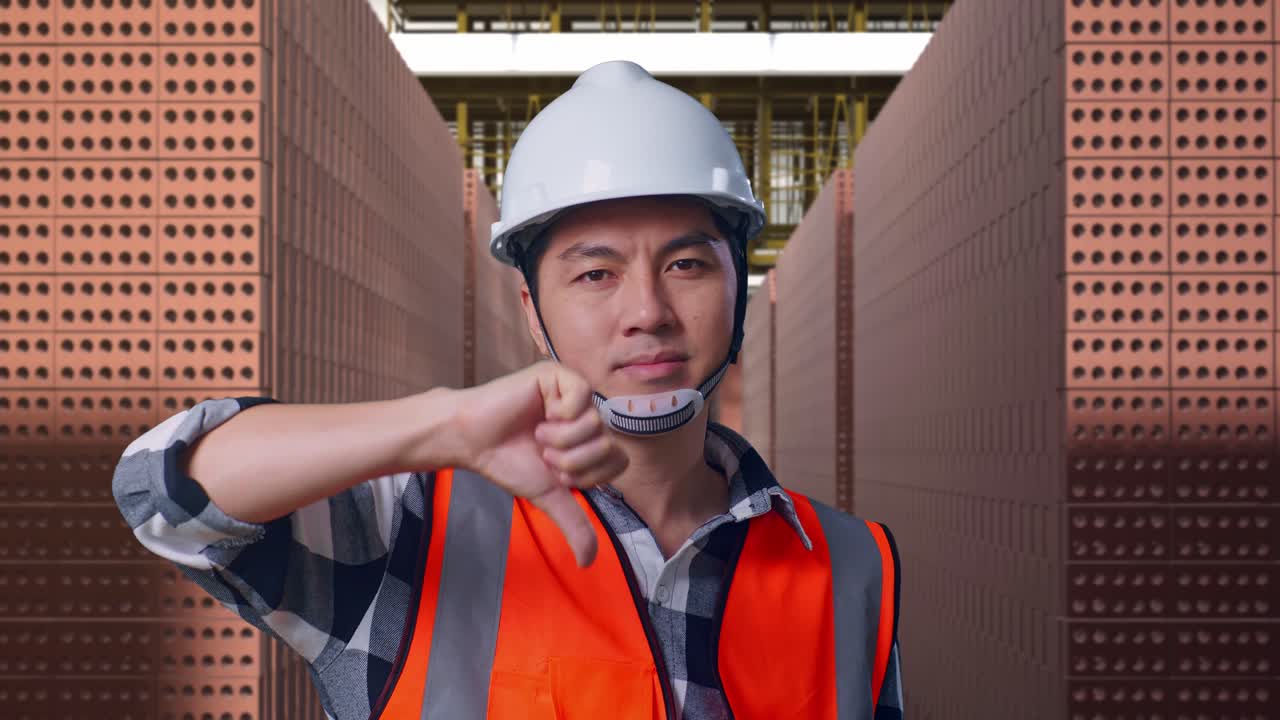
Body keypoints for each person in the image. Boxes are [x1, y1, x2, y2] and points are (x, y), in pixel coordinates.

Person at [113, 60, 903, 720]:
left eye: (687, 264)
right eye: (596, 274)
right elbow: (165, 496)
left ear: (740, 286)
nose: (648, 313)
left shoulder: (849, 564)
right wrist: (440, 424)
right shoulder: (409, 533)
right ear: (533, 312)